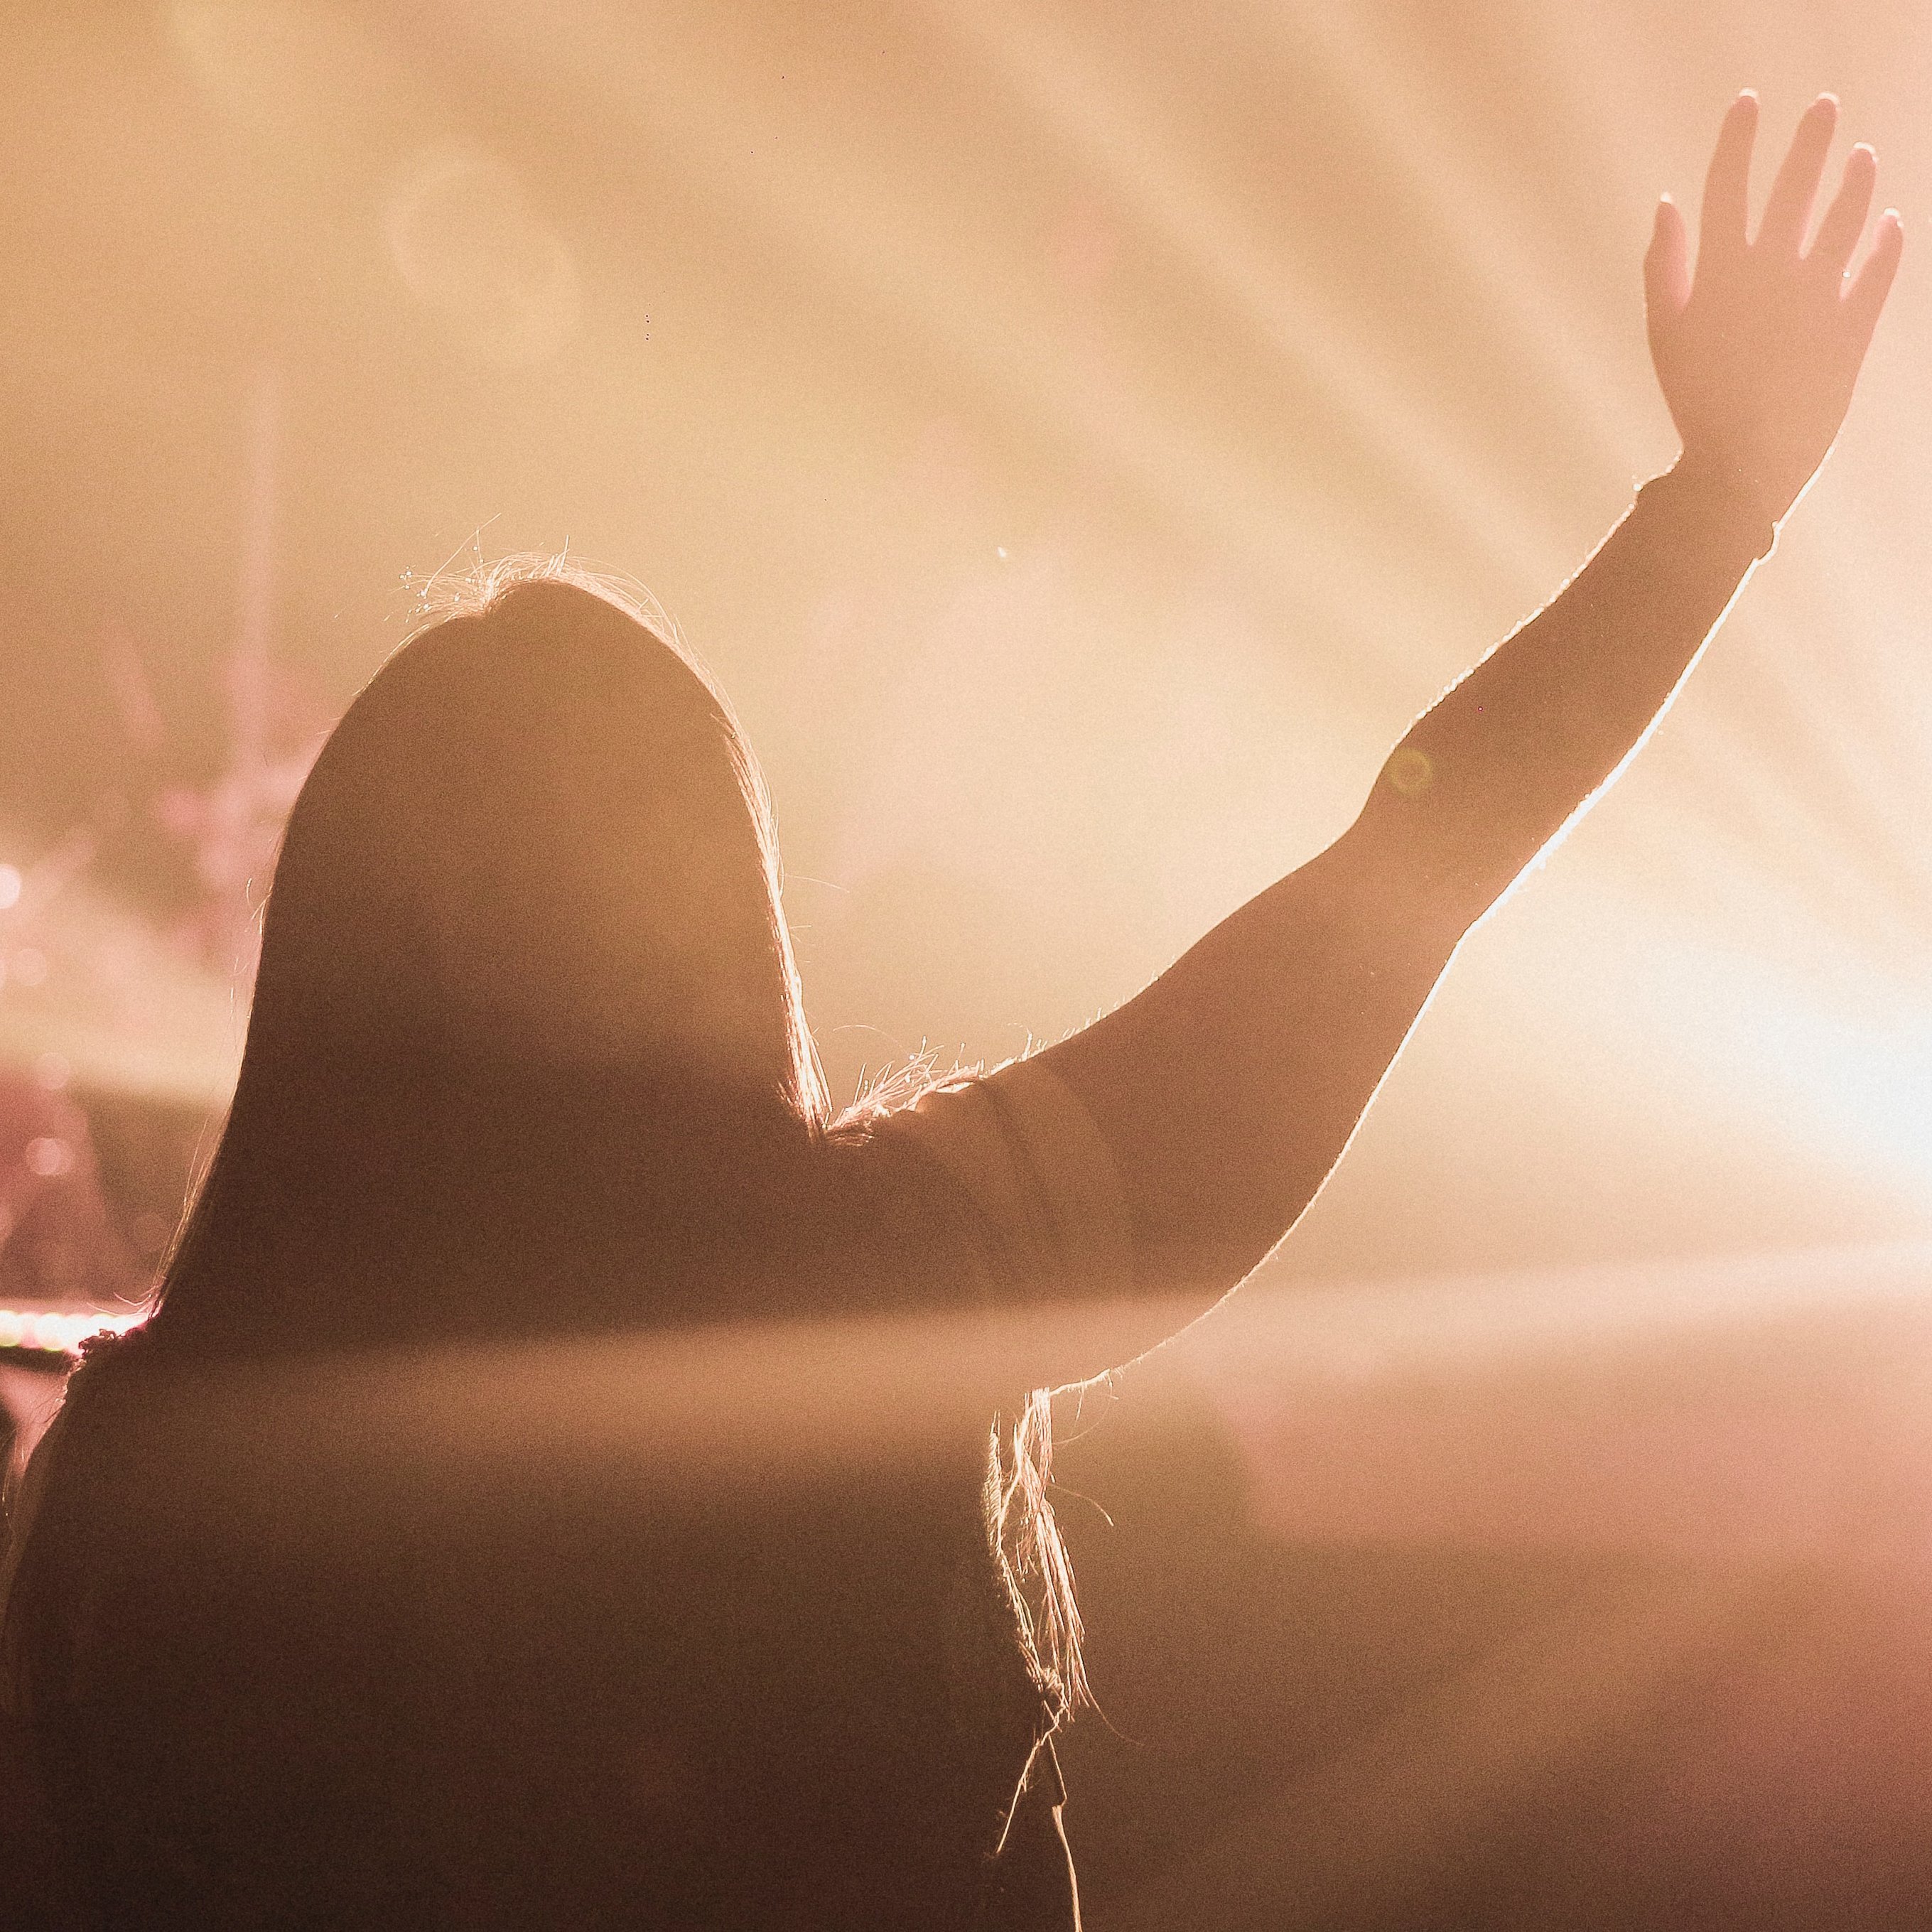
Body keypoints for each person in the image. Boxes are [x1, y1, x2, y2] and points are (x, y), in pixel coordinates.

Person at [0, 92, 1901, 1931]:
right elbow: (1386, 897)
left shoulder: (119, 1494)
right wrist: (1712, 508)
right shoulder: (882, 1286)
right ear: (711, 937)